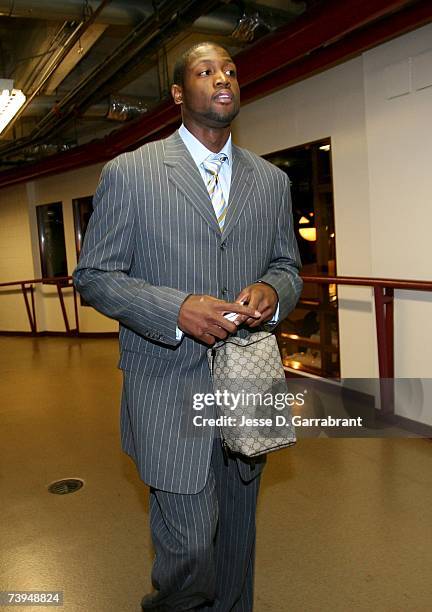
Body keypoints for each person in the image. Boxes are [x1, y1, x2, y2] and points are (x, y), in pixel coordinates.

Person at [73, 41, 303, 612]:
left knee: (237, 545)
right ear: (179, 93)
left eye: (229, 70)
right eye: (205, 71)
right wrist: (174, 309)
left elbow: (287, 266)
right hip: (169, 390)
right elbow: (94, 275)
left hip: (248, 389)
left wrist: (274, 292)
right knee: (189, 555)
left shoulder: (270, 182)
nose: (222, 78)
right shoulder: (131, 173)